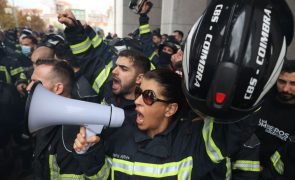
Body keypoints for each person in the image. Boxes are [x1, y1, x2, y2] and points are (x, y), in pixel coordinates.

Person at [73, 0, 293, 179]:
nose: (137, 101)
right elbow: (101, 176)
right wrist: (89, 152)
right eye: (139, 93)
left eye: (148, 97)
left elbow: (236, 128)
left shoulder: (195, 146)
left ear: (170, 109)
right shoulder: (117, 133)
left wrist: (252, 76)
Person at [26, 59, 85, 179]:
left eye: (35, 82)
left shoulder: (77, 129)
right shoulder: (46, 118)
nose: (28, 87)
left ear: (58, 88)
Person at [254, 59, 295, 179]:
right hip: (242, 166)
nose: (286, 89)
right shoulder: (262, 98)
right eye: (282, 81)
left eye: (293, 84)